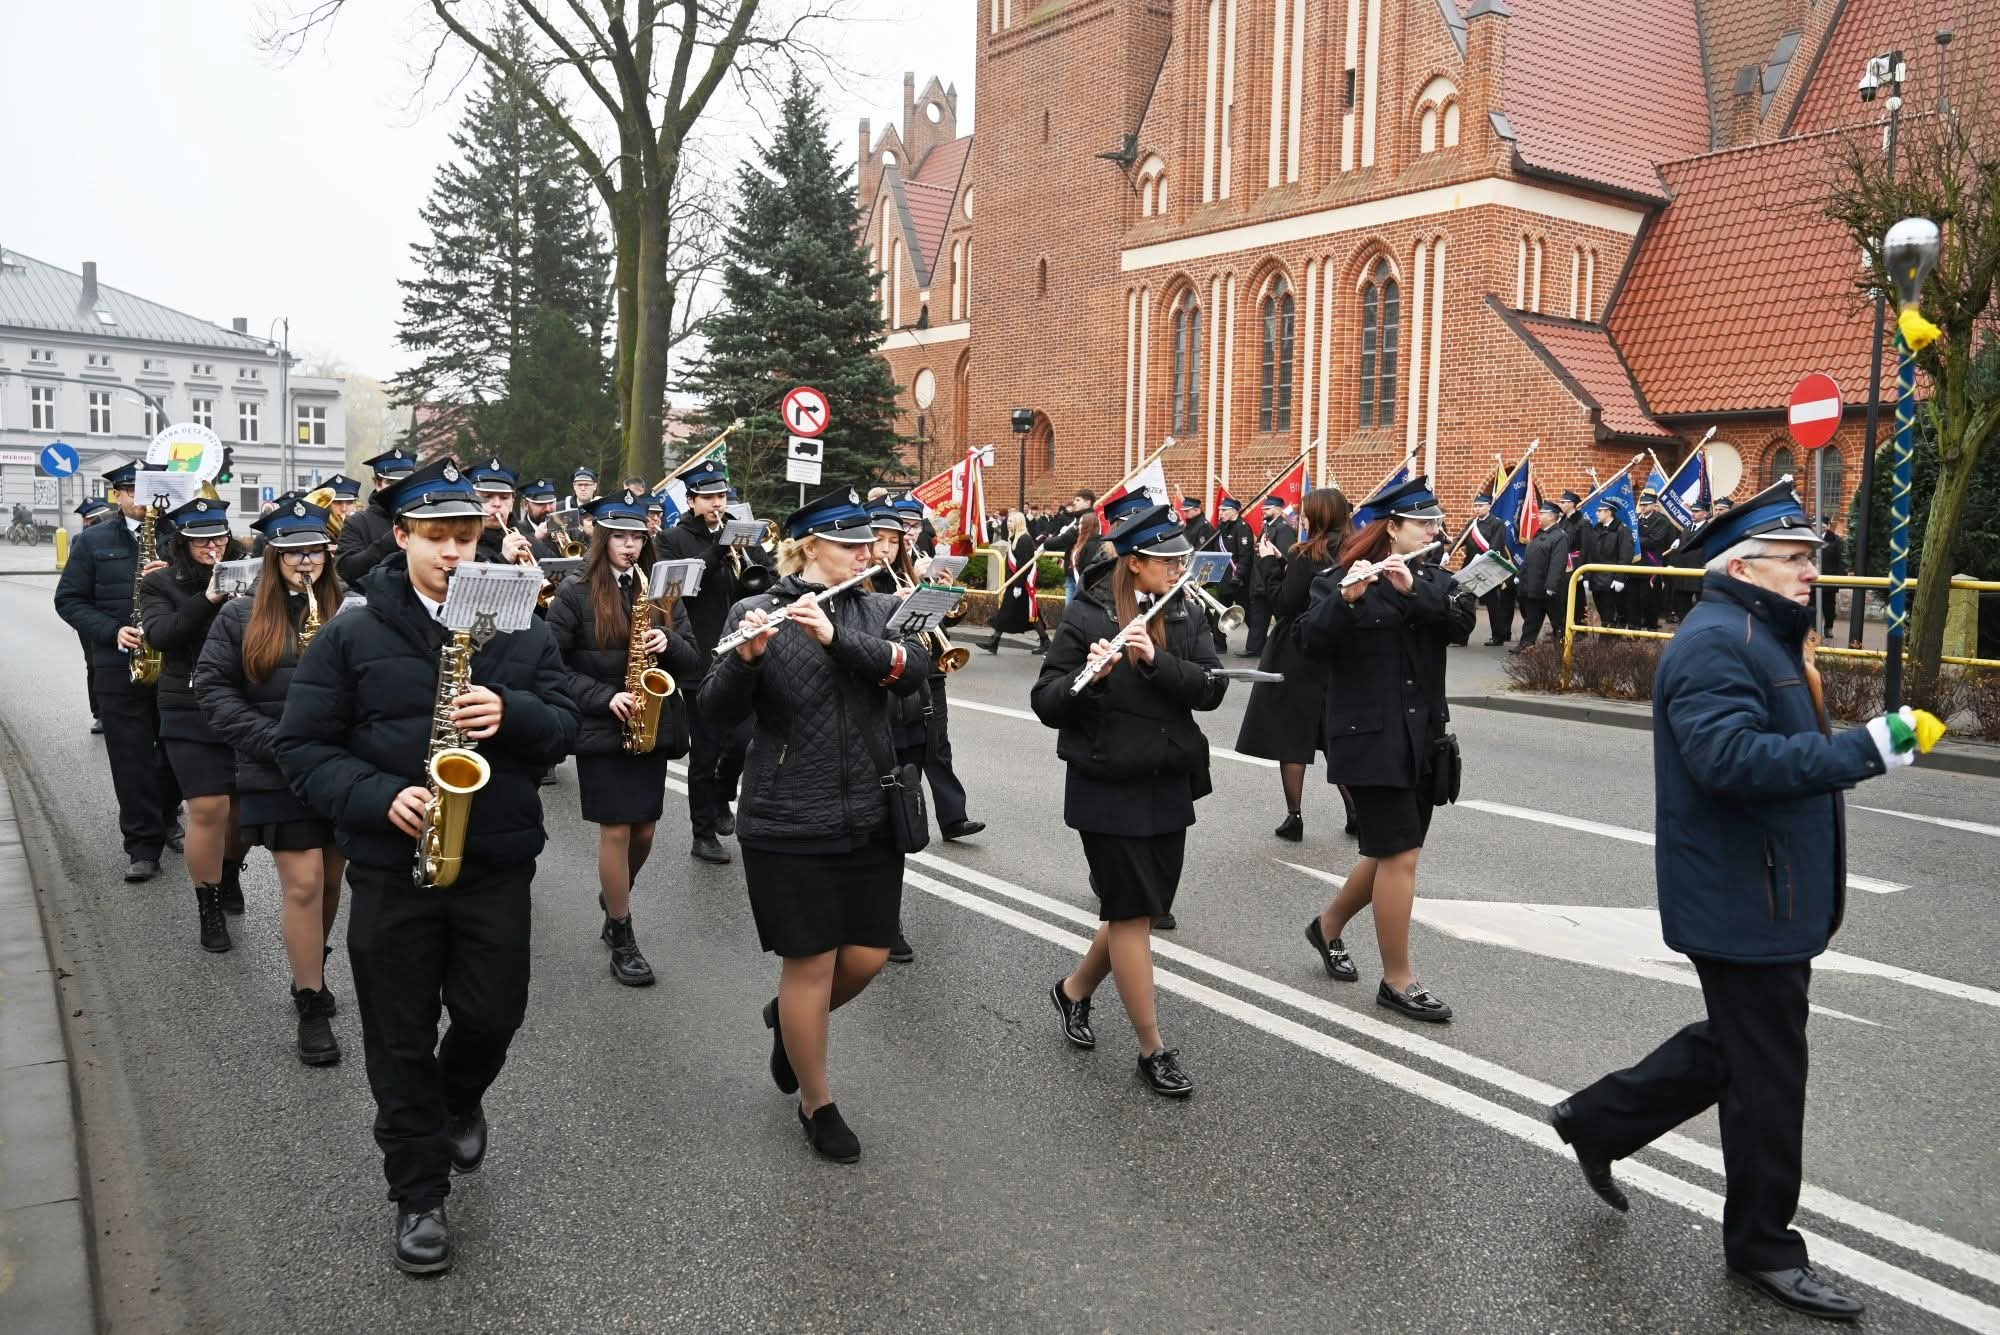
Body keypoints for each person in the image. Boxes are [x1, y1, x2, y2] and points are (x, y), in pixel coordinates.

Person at [1547, 480, 1923, 1323]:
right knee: (1769, 1073)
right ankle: (1763, 1247)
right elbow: (1731, 761)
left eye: (1812, 556)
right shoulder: (1720, 644)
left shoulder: (1760, 633)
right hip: (1742, 897)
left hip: (1764, 890)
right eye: (1795, 557)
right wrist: (1863, 749)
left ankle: (1599, 1119)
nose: (1812, 571)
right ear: (1742, 566)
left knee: (1745, 1046)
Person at [273, 458, 579, 1276]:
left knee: (493, 1015)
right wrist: (382, 797)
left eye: (465, 537)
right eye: (436, 536)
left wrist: (512, 712)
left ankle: (458, 1097)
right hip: (390, 864)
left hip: (494, 860)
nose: (452, 552)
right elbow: (300, 747)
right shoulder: (352, 633)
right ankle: (418, 1192)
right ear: (402, 535)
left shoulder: (520, 625)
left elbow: (564, 725)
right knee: (398, 1035)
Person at [698, 487, 932, 1164]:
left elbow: (912, 674)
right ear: (808, 547)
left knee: (869, 955)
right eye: (850, 543)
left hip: (870, 810)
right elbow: (714, 712)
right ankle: (817, 1101)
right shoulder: (753, 610)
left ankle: (789, 1021)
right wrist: (746, 660)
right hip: (788, 814)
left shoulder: (879, 608)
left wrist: (836, 637)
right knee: (811, 962)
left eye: (868, 541)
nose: (868, 551)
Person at [1034, 503, 1225, 1097]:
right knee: (1129, 914)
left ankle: (1071, 991)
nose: (1179, 569)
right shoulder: (1086, 613)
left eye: (1181, 559)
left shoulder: (1185, 611)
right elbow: (1046, 701)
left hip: (1167, 778)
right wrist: (1087, 680)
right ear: (1135, 562)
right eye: (1168, 561)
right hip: (1106, 782)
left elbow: (1211, 688)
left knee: (1137, 912)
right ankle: (1152, 1048)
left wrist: (1153, 660)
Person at [1294, 476, 1475, 1022]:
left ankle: (1327, 926)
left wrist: (1413, 591)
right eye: (1423, 523)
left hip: (1424, 738)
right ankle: (1398, 980)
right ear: (1392, 528)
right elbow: (1307, 642)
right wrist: (1345, 601)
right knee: (1401, 855)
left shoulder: (1434, 581)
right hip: (1369, 739)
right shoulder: (1338, 580)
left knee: (1389, 852)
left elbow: (1461, 625)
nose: (1434, 531)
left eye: (1436, 523)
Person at [194, 498, 347, 1064]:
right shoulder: (239, 615)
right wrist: (276, 741)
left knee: (331, 881)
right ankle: (310, 1001)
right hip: (275, 767)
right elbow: (212, 689)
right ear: (273, 556)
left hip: (340, 767)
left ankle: (314, 965)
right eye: (293, 553)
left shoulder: (351, 609)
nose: (306, 562)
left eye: (315, 552)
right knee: (303, 884)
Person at [546, 493, 703, 988]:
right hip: (602, 726)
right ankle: (621, 930)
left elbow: (694, 659)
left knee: (645, 833)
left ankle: (615, 893)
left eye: (637, 537)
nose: (630, 546)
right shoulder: (574, 593)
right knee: (615, 831)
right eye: (620, 537)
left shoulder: (660, 591)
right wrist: (603, 697)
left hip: (650, 723)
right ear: (602, 539)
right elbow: (551, 666)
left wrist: (668, 640)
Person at [56, 464, 183, 882]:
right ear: (118, 495)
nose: (141, 498)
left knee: (175, 752)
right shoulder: (92, 541)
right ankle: (142, 846)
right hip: (118, 666)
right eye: (132, 490)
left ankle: (167, 818)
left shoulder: (180, 536)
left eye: (150, 489)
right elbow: (69, 600)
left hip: (174, 662)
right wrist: (113, 631)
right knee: (130, 758)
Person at [141, 497, 251, 951]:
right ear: (184, 543)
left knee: (243, 813)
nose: (213, 547)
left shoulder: (251, 572)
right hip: (188, 706)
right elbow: (161, 635)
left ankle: (228, 870)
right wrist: (208, 599)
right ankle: (208, 905)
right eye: (202, 540)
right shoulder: (161, 582)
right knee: (209, 808)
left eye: (219, 538)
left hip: (245, 704)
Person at [654, 459, 770, 864]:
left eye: (721, 496)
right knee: (705, 752)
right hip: (700, 658)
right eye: (708, 497)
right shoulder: (671, 539)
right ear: (691, 500)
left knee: (744, 741)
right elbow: (676, 591)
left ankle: (722, 793)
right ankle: (702, 834)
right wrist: (719, 550)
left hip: (741, 652)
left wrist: (750, 553)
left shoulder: (740, 532)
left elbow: (767, 578)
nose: (717, 503)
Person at [1236, 487, 1357, 841]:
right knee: (1332, 734)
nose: (1301, 518)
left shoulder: (1305, 553)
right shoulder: (1355, 551)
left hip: (1299, 650)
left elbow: (1284, 604)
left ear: (1318, 516)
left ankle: (1295, 816)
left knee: (1293, 736)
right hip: (1338, 650)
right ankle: (1356, 811)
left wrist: (1269, 564)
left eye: (1305, 513)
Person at [884, 497, 983, 847]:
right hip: (897, 672)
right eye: (902, 529)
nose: (909, 534)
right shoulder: (875, 574)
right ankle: (898, 820)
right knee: (900, 750)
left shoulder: (918, 564)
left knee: (938, 744)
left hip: (931, 668)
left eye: (913, 527)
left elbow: (944, 620)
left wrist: (944, 592)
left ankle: (954, 818)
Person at [335, 448, 418, 585]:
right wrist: (389, 542)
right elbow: (347, 570)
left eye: (406, 482)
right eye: (390, 482)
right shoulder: (357, 522)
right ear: (377, 484)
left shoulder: (424, 518)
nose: (399, 488)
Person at [72, 497, 116, 735]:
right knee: (95, 664)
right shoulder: (81, 541)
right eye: (89, 520)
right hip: (92, 613)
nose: (92, 523)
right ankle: (99, 714)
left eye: (95, 519)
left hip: (119, 611)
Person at [979, 511, 1048, 654]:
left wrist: (1018, 586)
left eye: (1011, 521)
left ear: (1018, 523)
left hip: (1021, 584)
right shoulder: (1014, 538)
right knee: (1009, 611)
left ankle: (1045, 641)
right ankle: (994, 641)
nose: (1008, 524)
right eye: (1008, 521)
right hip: (1014, 582)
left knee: (1029, 614)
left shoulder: (1024, 540)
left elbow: (1024, 565)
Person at [1239, 496, 1297, 657]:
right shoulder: (1268, 527)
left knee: (1283, 620)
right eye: (1263, 508)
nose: (1263, 511)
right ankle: (1254, 647)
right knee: (1258, 617)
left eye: (1268, 508)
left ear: (1278, 510)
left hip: (1273, 581)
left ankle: (1289, 648)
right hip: (1261, 582)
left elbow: (1283, 556)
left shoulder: (1284, 529)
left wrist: (1273, 578)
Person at [1510, 498, 1568, 652]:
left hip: (1549, 587)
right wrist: (1520, 574)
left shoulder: (1560, 536)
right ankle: (1526, 644)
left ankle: (1562, 647)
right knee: (1532, 617)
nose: (1539, 515)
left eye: (1543, 513)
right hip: (1534, 585)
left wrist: (1551, 585)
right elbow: (1529, 557)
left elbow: (1558, 563)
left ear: (1552, 516)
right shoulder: (1539, 533)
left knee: (1557, 619)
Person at [1457, 493, 1515, 646]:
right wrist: (1448, 552)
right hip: (1470, 568)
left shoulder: (1497, 523)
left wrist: (1483, 559)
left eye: (1480, 505)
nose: (1477, 508)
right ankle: (1462, 637)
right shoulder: (1472, 523)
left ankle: (1498, 636)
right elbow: (1460, 540)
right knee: (1465, 602)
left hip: (1487, 568)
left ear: (1489, 506)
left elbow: (1495, 547)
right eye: (1475, 506)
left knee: (1493, 604)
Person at [467, 458, 532, 564]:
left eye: (504, 497)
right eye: (487, 496)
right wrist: (503, 560)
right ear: (471, 500)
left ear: (512, 503)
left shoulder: (528, 540)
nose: (497, 503)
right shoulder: (463, 547)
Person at [1580, 501, 1632, 629]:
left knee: (1610, 613)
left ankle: (1609, 636)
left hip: (1611, 580)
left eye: (1600, 511)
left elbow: (1625, 556)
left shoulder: (1622, 530)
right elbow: (1590, 554)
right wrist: (1587, 576)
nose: (1596, 513)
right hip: (1596, 579)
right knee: (1602, 611)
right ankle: (1606, 632)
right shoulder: (1596, 529)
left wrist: (1620, 578)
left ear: (1608, 512)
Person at [1637, 490, 1677, 632]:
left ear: (1654, 505)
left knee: (1652, 595)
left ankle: (1652, 625)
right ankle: (1640, 621)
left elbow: (1654, 540)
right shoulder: (1637, 519)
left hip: (1652, 561)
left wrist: (1636, 540)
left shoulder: (1661, 521)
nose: (1642, 507)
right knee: (1638, 595)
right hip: (1637, 561)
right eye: (1641, 504)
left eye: (1646, 505)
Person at [513, 479, 563, 558]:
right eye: (540, 504)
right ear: (525, 505)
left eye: (551, 502)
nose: (548, 509)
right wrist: (536, 539)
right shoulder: (517, 531)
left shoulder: (565, 525)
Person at [1817, 514, 1847, 639]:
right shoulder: (1809, 538)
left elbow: (1842, 561)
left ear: (1828, 526)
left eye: (1823, 525)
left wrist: (1839, 580)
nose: (1821, 527)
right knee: (1811, 607)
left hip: (1829, 581)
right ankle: (1813, 630)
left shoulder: (1836, 540)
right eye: (1817, 525)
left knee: (1828, 607)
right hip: (1812, 580)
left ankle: (1828, 628)